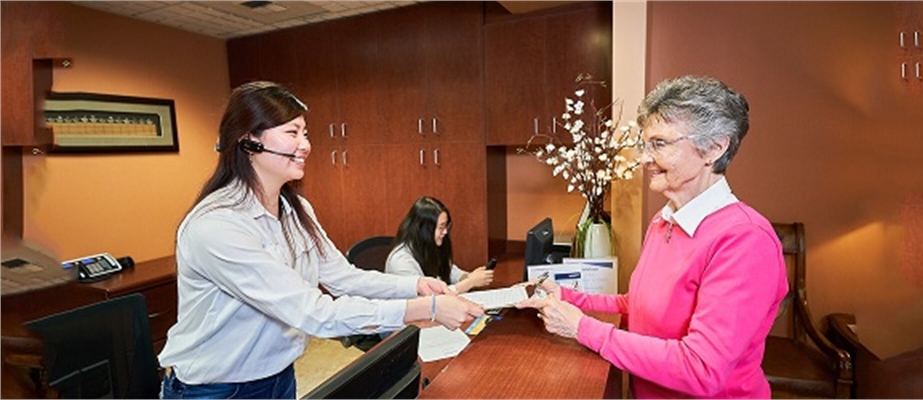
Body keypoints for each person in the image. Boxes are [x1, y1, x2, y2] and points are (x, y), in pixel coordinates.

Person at [157, 81, 483, 399]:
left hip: (278, 375)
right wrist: (424, 308)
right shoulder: (217, 226)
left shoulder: (296, 210)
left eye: (306, 133)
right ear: (249, 141)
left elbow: (343, 277)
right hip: (215, 389)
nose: (305, 145)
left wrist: (416, 285)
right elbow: (313, 313)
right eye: (292, 132)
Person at [518, 76, 788, 398]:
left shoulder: (745, 240)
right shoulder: (664, 220)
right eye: (644, 144)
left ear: (715, 148)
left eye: (659, 144)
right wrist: (566, 296)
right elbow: (637, 306)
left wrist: (582, 328)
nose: (644, 158)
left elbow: (701, 369)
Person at [385, 196, 494, 294]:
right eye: (441, 227)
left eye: (446, 226)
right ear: (424, 230)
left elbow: (450, 271)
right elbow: (429, 299)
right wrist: (469, 283)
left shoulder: (430, 247)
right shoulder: (401, 261)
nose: (445, 232)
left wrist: (470, 276)